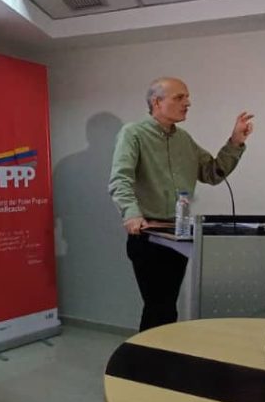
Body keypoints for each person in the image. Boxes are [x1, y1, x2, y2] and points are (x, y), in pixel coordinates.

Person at [108, 77, 254, 332]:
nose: (188, 103)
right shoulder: (133, 133)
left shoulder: (184, 139)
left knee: (166, 305)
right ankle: (150, 353)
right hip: (148, 234)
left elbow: (213, 173)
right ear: (157, 102)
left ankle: (157, 352)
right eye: (179, 97)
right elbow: (120, 179)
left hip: (179, 233)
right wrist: (131, 214)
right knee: (158, 305)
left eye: (187, 97)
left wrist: (235, 142)